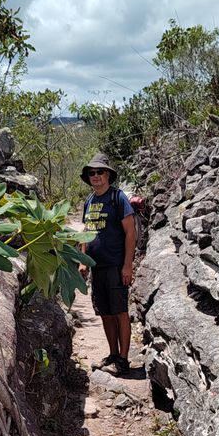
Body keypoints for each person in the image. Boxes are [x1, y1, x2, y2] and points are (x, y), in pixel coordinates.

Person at [79, 152, 136, 375]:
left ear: (108, 175)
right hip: (97, 266)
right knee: (104, 312)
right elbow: (86, 231)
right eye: (92, 173)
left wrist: (127, 265)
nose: (96, 176)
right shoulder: (89, 201)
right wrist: (83, 261)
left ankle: (123, 360)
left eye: (100, 172)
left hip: (115, 264)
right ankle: (113, 354)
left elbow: (130, 233)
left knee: (120, 311)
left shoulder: (117, 198)